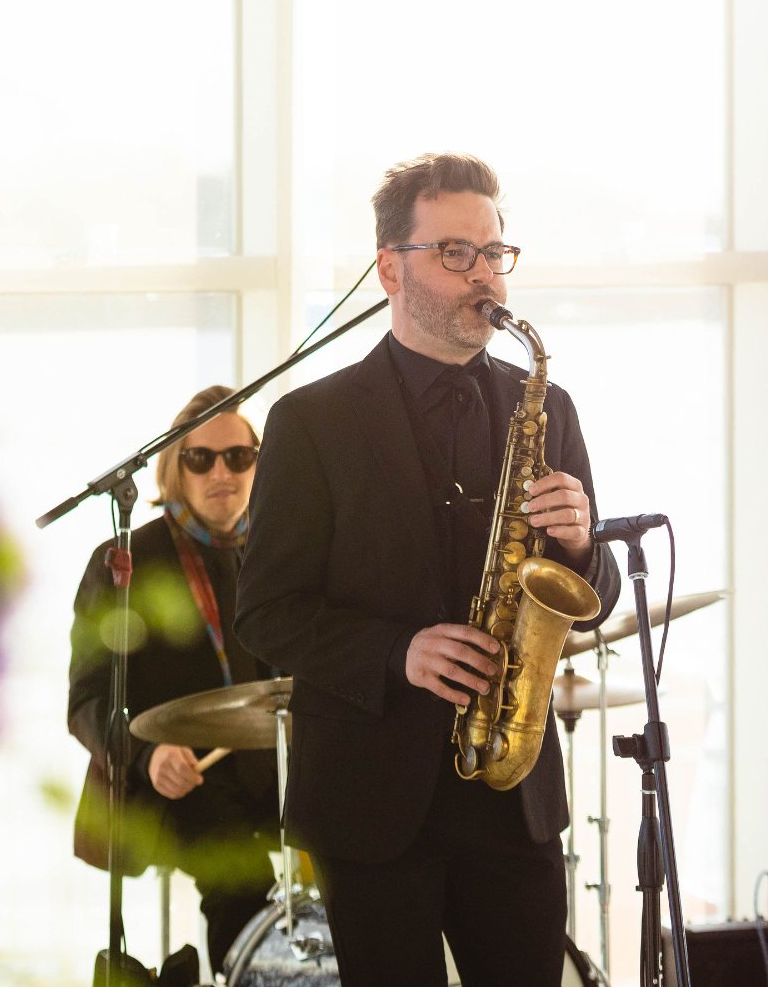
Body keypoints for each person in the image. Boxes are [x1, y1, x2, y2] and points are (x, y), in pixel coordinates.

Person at [234, 153, 621, 987]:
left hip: (513, 799)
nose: (486, 277)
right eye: (456, 252)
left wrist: (584, 545)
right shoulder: (309, 423)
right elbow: (265, 611)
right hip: (373, 805)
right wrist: (396, 652)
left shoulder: (549, 407)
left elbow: (594, 597)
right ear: (389, 268)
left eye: (494, 253)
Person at [68, 386, 278, 974]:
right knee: (243, 880)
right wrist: (146, 753)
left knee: (368, 844)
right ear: (173, 466)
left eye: (239, 457)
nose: (222, 472)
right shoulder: (124, 560)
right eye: (201, 457)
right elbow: (84, 701)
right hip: (170, 782)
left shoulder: (273, 556)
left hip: (268, 771)